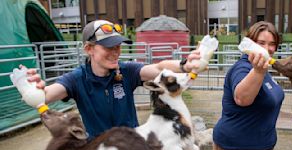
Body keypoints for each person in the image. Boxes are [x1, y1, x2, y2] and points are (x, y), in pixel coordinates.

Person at [26, 19, 201, 139]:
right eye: (109, 47)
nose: (116, 52)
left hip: (132, 146)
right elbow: (46, 95)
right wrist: (34, 87)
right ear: (89, 49)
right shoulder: (76, 79)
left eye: (117, 46)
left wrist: (184, 65)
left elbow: (157, 68)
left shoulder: (127, 71)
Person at [212, 21, 284, 150]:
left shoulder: (263, 67)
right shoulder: (242, 68)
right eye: (261, 43)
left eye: (272, 43)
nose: (267, 48)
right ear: (250, 43)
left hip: (263, 147)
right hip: (238, 148)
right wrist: (258, 72)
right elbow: (242, 98)